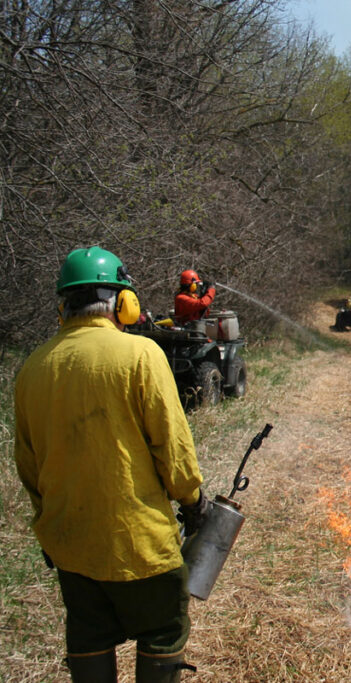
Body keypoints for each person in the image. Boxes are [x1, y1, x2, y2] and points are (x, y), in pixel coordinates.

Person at [14, 246, 208, 682]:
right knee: (162, 633)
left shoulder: (32, 369)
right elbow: (174, 451)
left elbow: (28, 466)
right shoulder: (141, 355)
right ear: (124, 302)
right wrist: (192, 501)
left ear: (64, 305)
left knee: (88, 638)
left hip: (71, 547)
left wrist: (47, 522)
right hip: (140, 547)